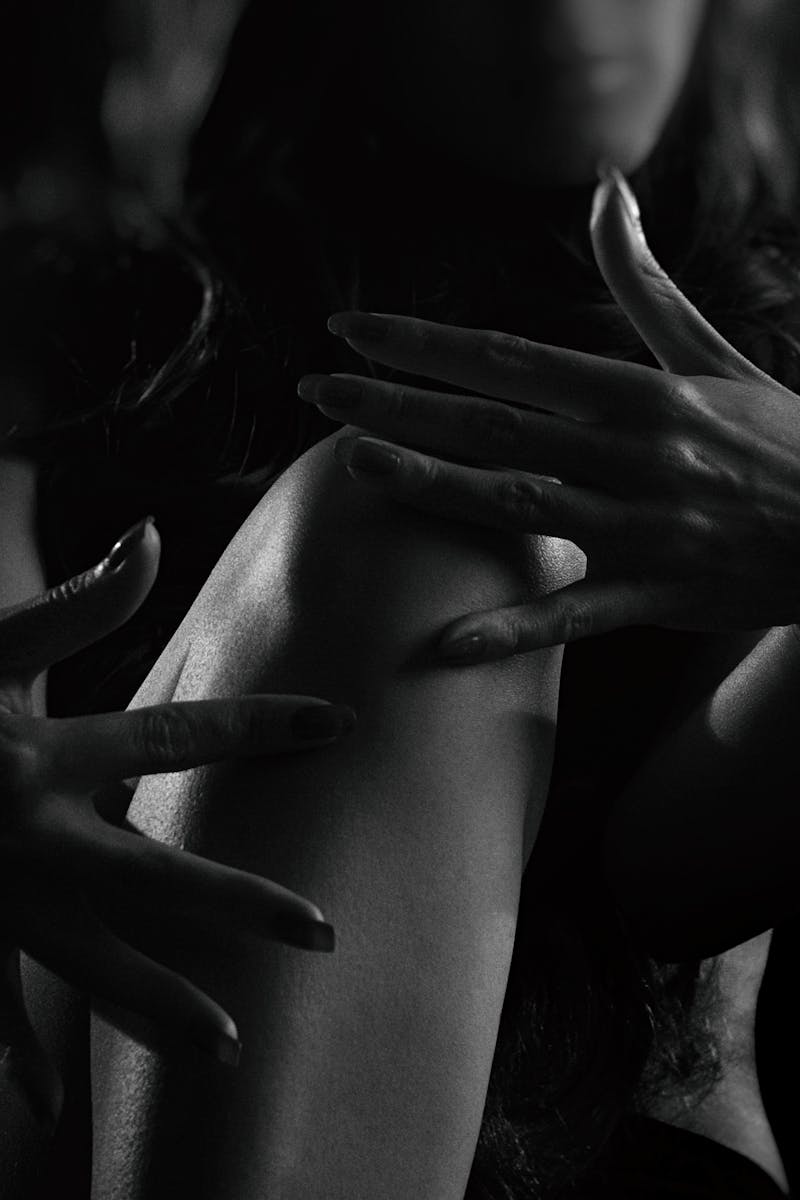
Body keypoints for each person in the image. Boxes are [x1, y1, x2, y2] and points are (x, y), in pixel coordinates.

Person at [9, 0, 800, 1196]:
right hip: (91, 1104)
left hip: (634, 1149)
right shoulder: (68, 304)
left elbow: (674, 882)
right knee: (408, 528)